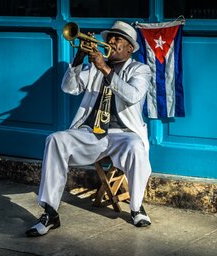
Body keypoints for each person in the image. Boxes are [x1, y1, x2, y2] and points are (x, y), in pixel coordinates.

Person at [26, 21, 152, 237]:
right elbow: (69, 88)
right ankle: (50, 212)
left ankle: (136, 207)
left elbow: (132, 95)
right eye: (109, 37)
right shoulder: (93, 67)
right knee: (55, 139)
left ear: (129, 47)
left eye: (117, 39)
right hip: (91, 132)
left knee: (136, 147)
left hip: (124, 134)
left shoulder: (140, 69)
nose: (110, 41)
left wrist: (104, 68)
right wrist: (78, 59)